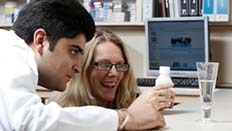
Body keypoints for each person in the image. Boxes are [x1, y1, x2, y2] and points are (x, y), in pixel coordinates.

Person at [0, 0, 174, 131]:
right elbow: (29, 122)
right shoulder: (9, 52)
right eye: (73, 51)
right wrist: (124, 118)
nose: (78, 67)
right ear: (40, 40)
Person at [50, 29, 175, 110]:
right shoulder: (62, 112)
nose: (114, 73)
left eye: (120, 65)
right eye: (104, 65)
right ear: (83, 68)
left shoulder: (129, 100)